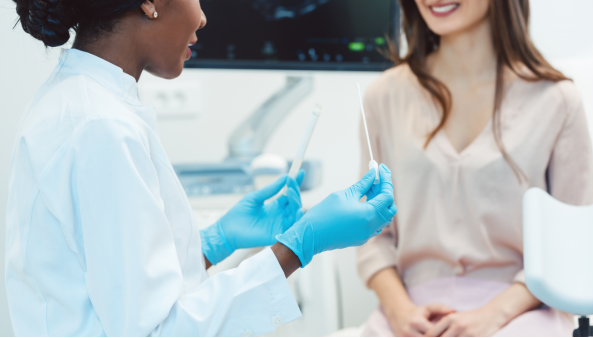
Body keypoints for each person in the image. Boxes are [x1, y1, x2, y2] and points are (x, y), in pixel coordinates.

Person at [5, 0, 397, 336]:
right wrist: (299, 246)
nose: (204, 17)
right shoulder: (100, 127)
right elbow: (157, 330)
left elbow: (121, 281)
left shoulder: (83, 101)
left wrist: (213, 243)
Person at [357, 0, 593, 336]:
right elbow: (372, 235)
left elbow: (572, 246)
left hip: (520, 312)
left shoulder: (557, 100)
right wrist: (400, 313)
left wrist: (493, 316)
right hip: (412, 314)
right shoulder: (384, 96)